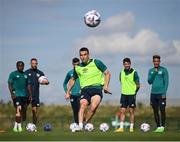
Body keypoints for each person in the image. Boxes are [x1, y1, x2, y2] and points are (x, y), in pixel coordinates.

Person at [65, 47, 111, 131]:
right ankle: (80, 126)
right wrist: (68, 92)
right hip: (85, 90)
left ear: (88, 55)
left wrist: (105, 86)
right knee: (82, 105)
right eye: (81, 55)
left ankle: (85, 123)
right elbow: (73, 79)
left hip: (97, 88)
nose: (83, 57)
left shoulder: (96, 62)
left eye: (85, 54)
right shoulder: (78, 67)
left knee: (93, 107)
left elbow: (107, 73)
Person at [115, 58, 140, 132]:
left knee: (131, 112)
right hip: (123, 94)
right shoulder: (121, 72)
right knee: (122, 111)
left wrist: (134, 92)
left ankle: (131, 128)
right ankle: (121, 128)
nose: (127, 65)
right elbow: (121, 81)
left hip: (131, 95)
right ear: (123, 64)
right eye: (125, 64)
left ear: (130, 64)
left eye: (128, 64)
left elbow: (138, 85)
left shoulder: (134, 72)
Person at [8, 61, 32, 132]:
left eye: (22, 66)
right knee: (18, 109)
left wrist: (30, 95)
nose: (21, 67)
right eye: (19, 66)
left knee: (23, 110)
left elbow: (28, 85)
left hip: (24, 96)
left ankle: (15, 125)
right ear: (17, 66)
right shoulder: (13, 74)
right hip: (16, 95)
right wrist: (12, 94)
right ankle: (19, 127)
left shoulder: (25, 75)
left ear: (23, 66)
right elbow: (10, 84)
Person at [148, 55, 169, 132]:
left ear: (159, 62)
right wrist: (154, 73)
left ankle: (162, 127)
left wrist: (164, 93)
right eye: (155, 61)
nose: (156, 62)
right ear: (153, 62)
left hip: (161, 94)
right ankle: (158, 126)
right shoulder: (151, 70)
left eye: (157, 61)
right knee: (155, 111)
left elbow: (166, 82)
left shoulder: (164, 70)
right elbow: (149, 81)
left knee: (162, 110)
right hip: (153, 94)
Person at [25, 58, 49, 124]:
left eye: (35, 63)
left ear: (37, 64)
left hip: (36, 94)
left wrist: (46, 82)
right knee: (24, 110)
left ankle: (34, 125)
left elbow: (45, 81)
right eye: (33, 63)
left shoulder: (40, 73)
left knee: (34, 111)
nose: (34, 65)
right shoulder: (26, 72)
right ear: (30, 64)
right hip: (27, 94)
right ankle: (20, 123)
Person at [63, 57, 80, 124]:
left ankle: (83, 124)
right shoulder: (70, 73)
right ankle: (77, 125)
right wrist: (67, 92)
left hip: (81, 94)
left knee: (81, 109)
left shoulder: (82, 72)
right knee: (75, 111)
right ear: (72, 64)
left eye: (78, 64)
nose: (76, 66)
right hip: (72, 95)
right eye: (75, 64)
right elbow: (64, 84)